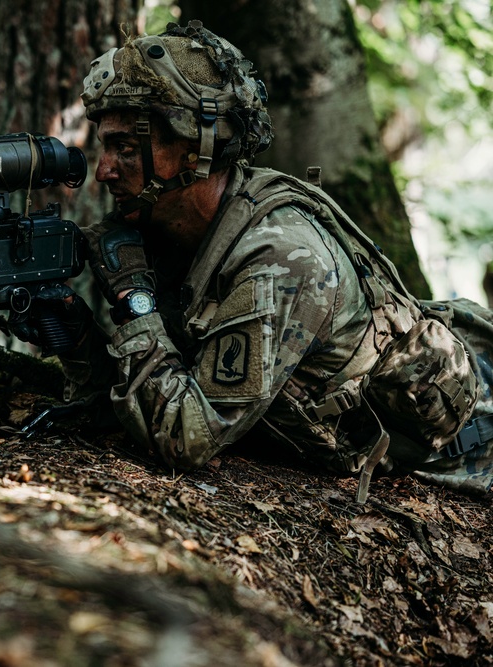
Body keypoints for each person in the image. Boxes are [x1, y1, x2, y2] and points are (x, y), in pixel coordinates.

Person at [38, 20, 493, 500]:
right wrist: (77, 338)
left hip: (469, 450)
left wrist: (135, 300)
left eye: (125, 148)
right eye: (105, 146)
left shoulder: (280, 258)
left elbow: (184, 435)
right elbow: (147, 397)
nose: (104, 170)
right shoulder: (176, 229)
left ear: (195, 151)